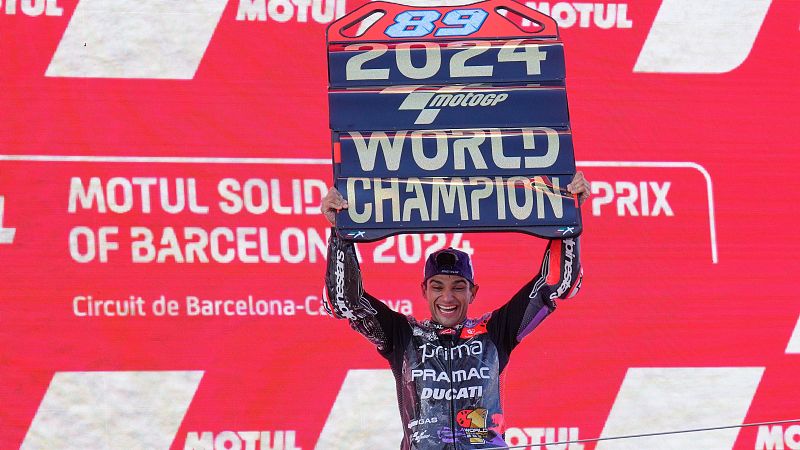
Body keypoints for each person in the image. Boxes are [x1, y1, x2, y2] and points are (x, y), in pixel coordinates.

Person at [321, 173, 590, 449]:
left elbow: (556, 282)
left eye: (458, 287)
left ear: (473, 292)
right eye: (437, 286)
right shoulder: (403, 335)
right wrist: (339, 230)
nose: (447, 297)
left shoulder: (494, 332)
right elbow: (344, 301)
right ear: (424, 290)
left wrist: (569, 213)